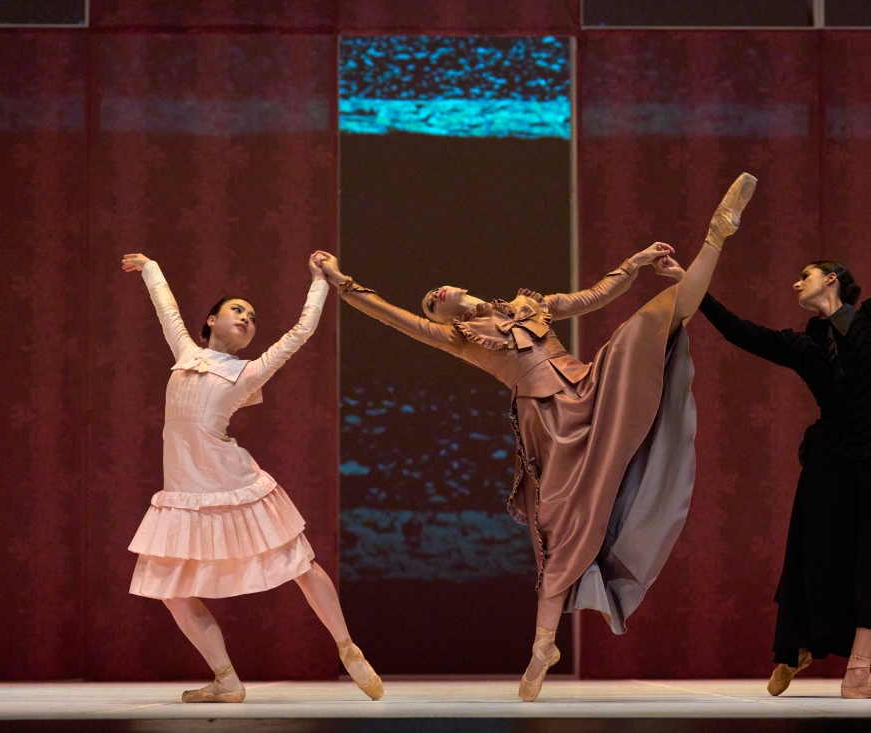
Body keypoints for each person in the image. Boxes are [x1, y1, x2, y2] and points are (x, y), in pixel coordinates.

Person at [314, 173, 757, 701]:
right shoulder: (457, 337)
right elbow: (388, 314)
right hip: (549, 424)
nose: (434, 297)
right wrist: (340, 279)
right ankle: (543, 645)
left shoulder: (531, 304)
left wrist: (635, 265)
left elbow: (593, 297)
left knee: (652, 320)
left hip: (590, 387)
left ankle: (716, 235)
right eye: (431, 303)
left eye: (436, 292)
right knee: (560, 531)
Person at [694, 157, 871, 699]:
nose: (796, 281)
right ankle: (795, 648)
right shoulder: (803, 345)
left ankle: (858, 674)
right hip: (831, 459)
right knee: (817, 553)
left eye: (805, 274)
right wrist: (690, 286)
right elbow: (737, 332)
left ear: (833, 279)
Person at [121, 251, 383, 703]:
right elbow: (166, 308)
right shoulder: (185, 351)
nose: (246, 317)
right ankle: (226, 678)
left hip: (234, 483)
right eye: (237, 310)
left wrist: (319, 279)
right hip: (185, 493)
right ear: (211, 320)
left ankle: (347, 646)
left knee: (301, 565)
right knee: (171, 590)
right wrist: (150, 268)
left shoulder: (247, 372)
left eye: (253, 316)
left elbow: (301, 333)